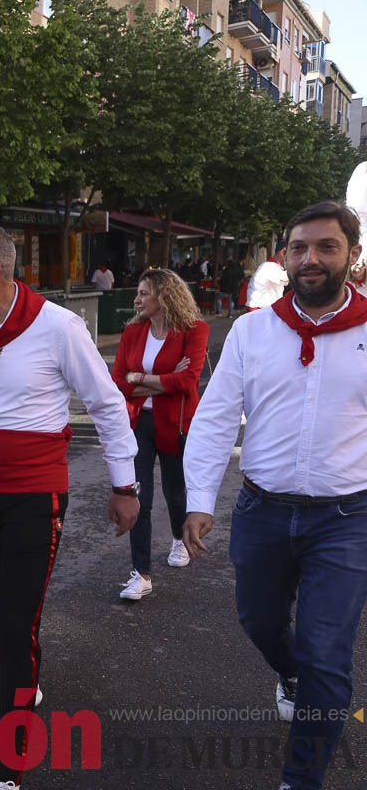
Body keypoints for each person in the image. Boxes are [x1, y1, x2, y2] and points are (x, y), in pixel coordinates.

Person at [0, 223, 138, 790]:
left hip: (35, 496)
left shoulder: (59, 328)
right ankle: (25, 683)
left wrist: (124, 485)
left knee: (16, 622)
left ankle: (7, 770)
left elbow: (107, 405)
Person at [184, 201, 367, 790]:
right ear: (284, 256)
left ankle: (301, 778)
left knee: (327, 654)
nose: (310, 258)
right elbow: (215, 418)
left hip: (347, 519)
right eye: (299, 248)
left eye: (327, 247)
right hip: (262, 510)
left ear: (353, 256)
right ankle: (288, 671)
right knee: (259, 621)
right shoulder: (252, 330)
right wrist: (199, 500)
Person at [111, 269, 209, 602]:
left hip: (177, 423)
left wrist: (141, 377)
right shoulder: (133, 331)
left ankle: (180, 538)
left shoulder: (194, 331)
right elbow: (119, 381)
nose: (136, 300)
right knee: (140, 497)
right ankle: (141, 573)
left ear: (164, 297)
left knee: (176, 491)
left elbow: (189, 380)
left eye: (143, 294)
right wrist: (157, 379)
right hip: (139, 423)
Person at [245, 241, 289, 310]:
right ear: (283, 252)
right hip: (259, 311)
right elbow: (288, 278)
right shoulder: (269, 266)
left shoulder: (271, 266)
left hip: (263, 310)